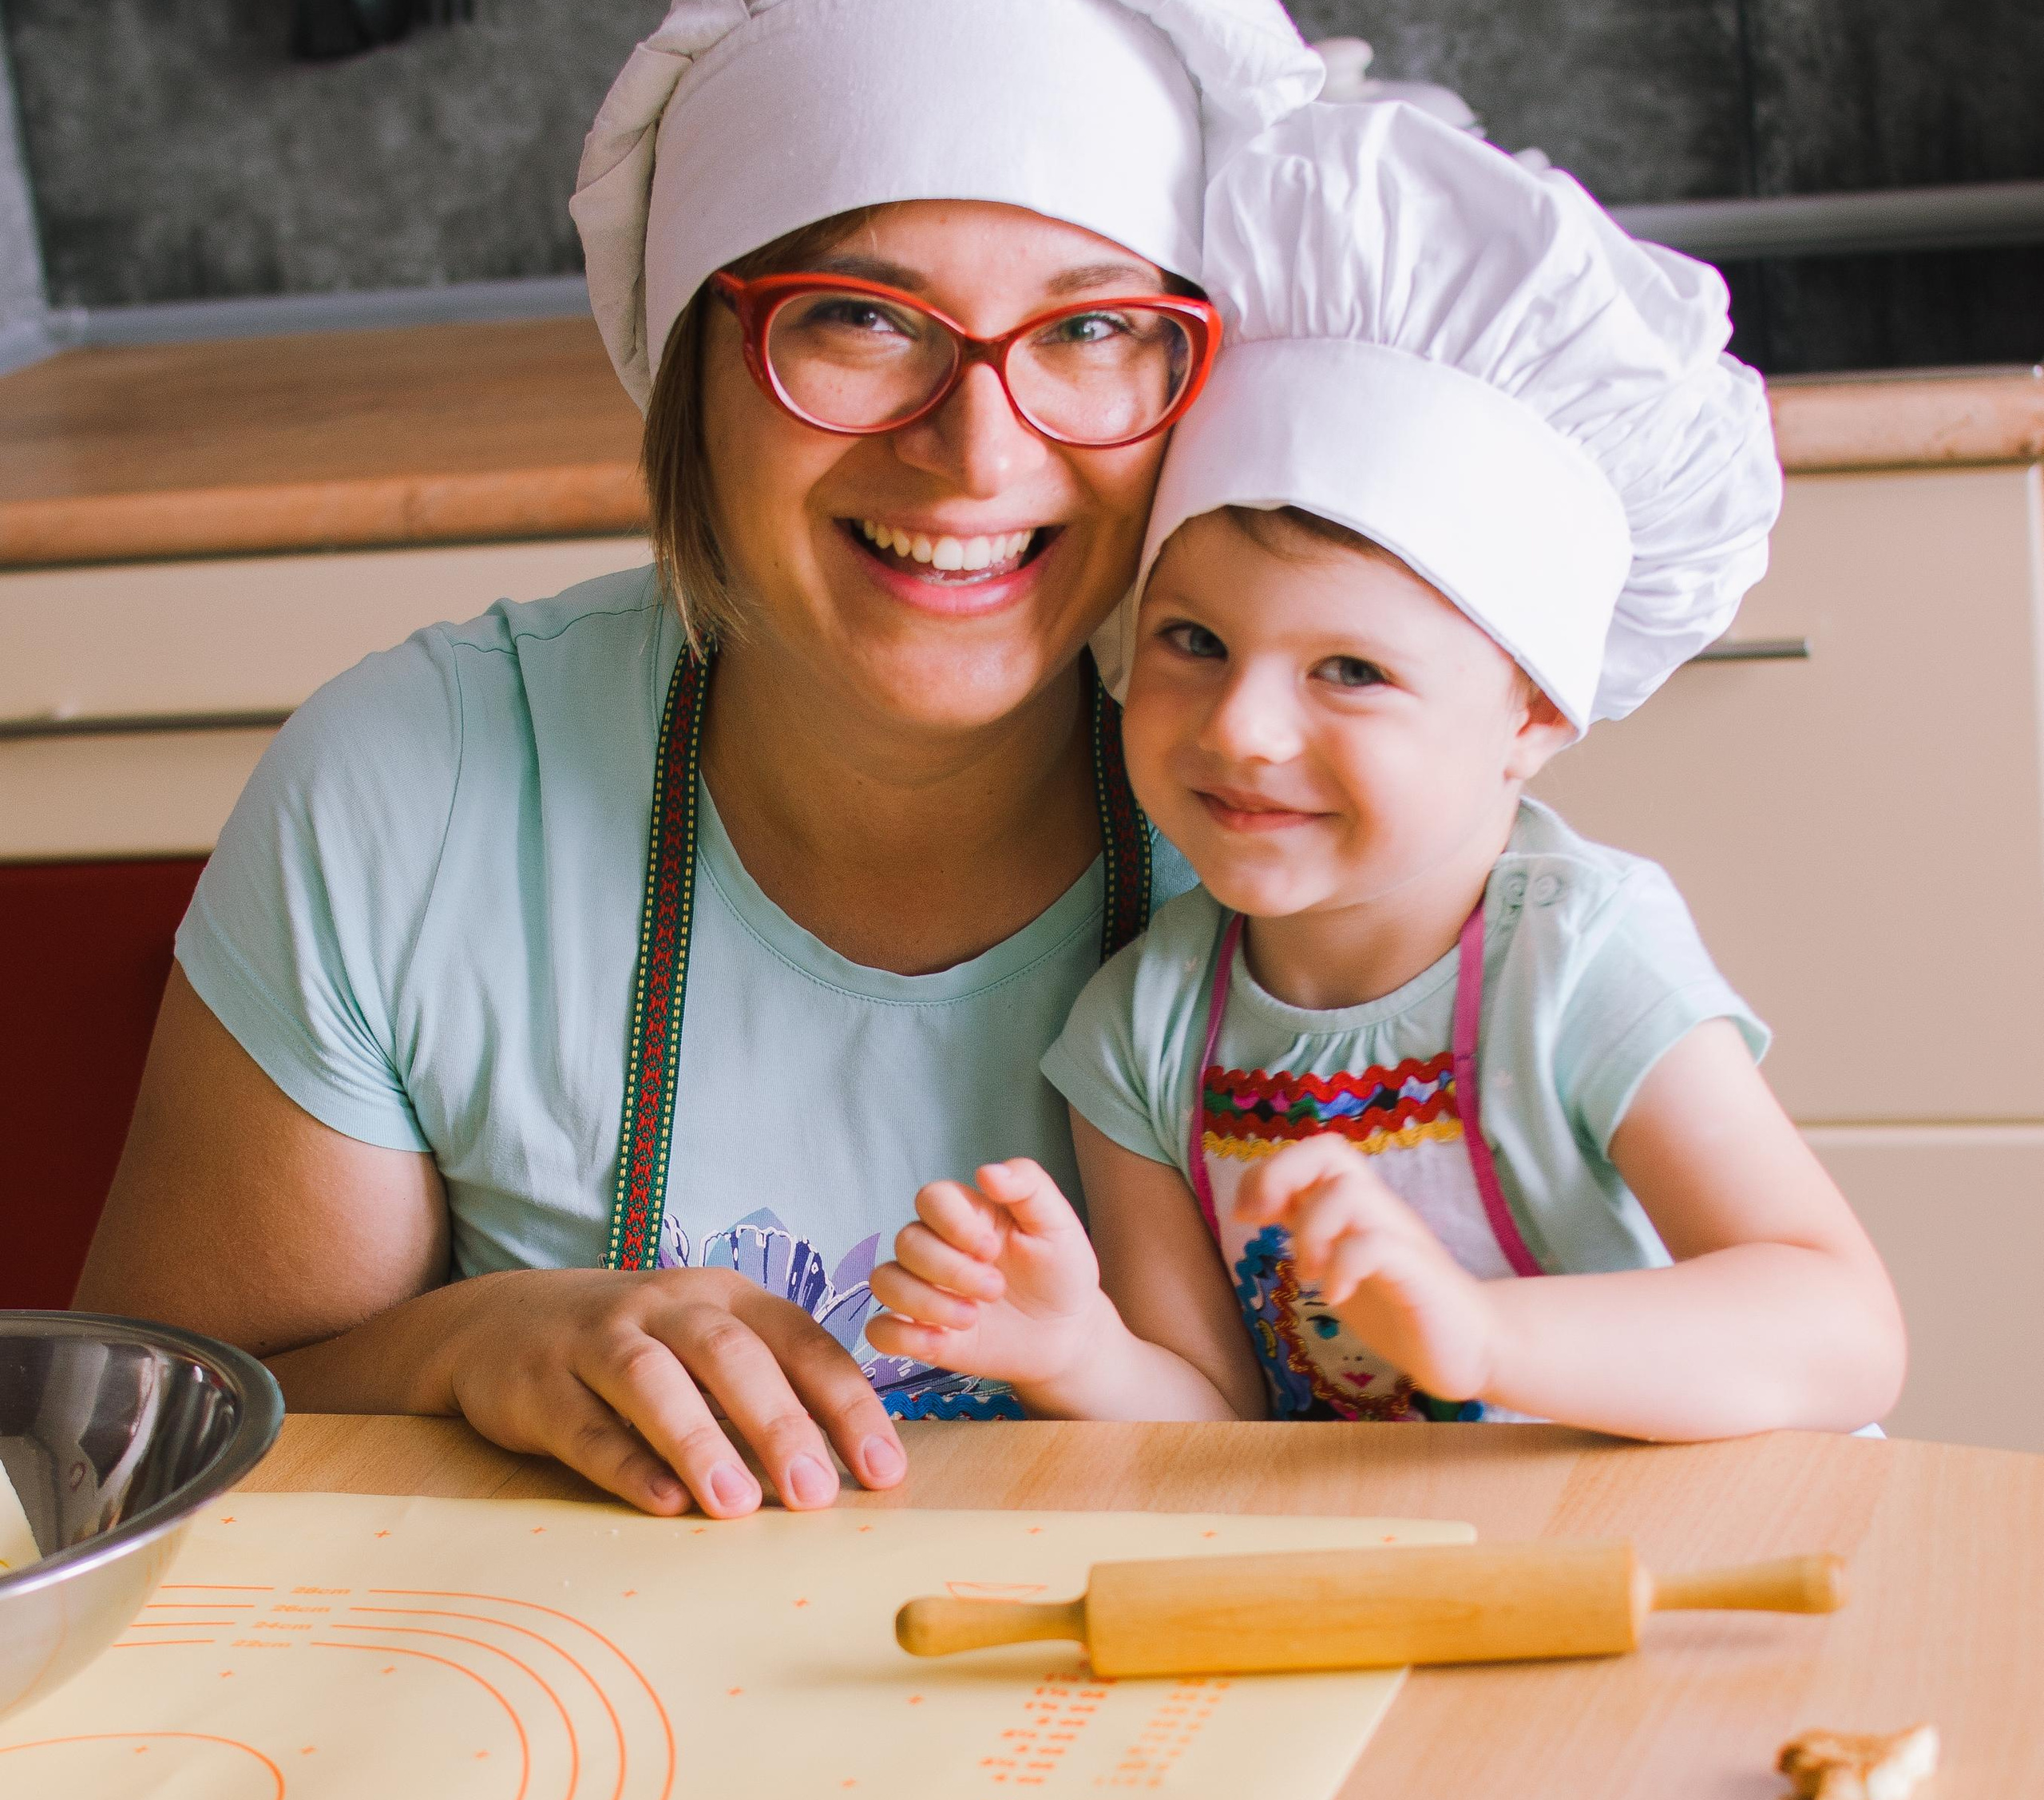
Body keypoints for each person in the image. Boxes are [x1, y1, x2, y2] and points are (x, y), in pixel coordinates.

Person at [73, 1, 1326, 1513]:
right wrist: (466, 1349)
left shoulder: (1331, 810)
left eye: (1095, 327)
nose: (981, 452)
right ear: (693, 366)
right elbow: (142, 1467)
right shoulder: (421, 791)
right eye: (861, 318)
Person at [866, 102, 1906, 1437]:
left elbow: (1841, 1332)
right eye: (1193, 639)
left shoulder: (1576, 962)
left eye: (1349, 671)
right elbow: (1217, 1422)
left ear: (1530, 712)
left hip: (1685, 1565)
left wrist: (1482, 1334)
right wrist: (1073, 1351)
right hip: (1398, 1593)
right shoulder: (1141, 1032)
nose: (1240, 726)